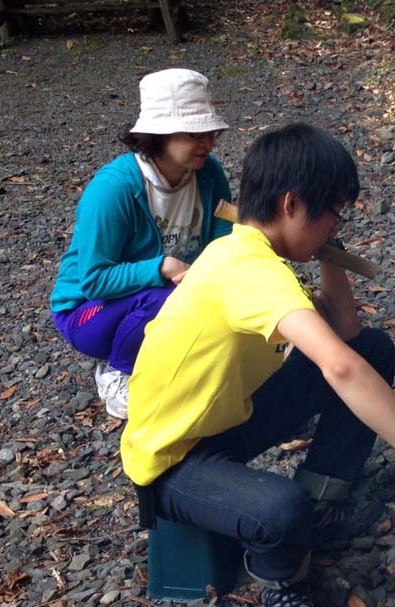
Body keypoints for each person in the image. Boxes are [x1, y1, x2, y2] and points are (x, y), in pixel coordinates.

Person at [119, 123, 395, 607]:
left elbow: (348, 336)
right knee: (281, 509)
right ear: (292, 204)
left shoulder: (250, 253)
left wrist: (329, 253)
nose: (336, 226)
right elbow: (340, 367)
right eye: (333, 214)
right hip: (172, 460)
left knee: (373, 349)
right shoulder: (248, 269)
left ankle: (324, 501)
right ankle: (280, 577)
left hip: (222, 420)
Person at [49, 68, 232, 419]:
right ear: (158, 134)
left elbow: (223, 238)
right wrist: (161, 266)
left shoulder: (209, 173)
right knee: (166, 298)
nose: (207, 143)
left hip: (170, 294)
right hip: (88, 312)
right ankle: (118, 371)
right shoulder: (114, 189)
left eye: (210, 133)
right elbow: (93, 280)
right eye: (194, 133)